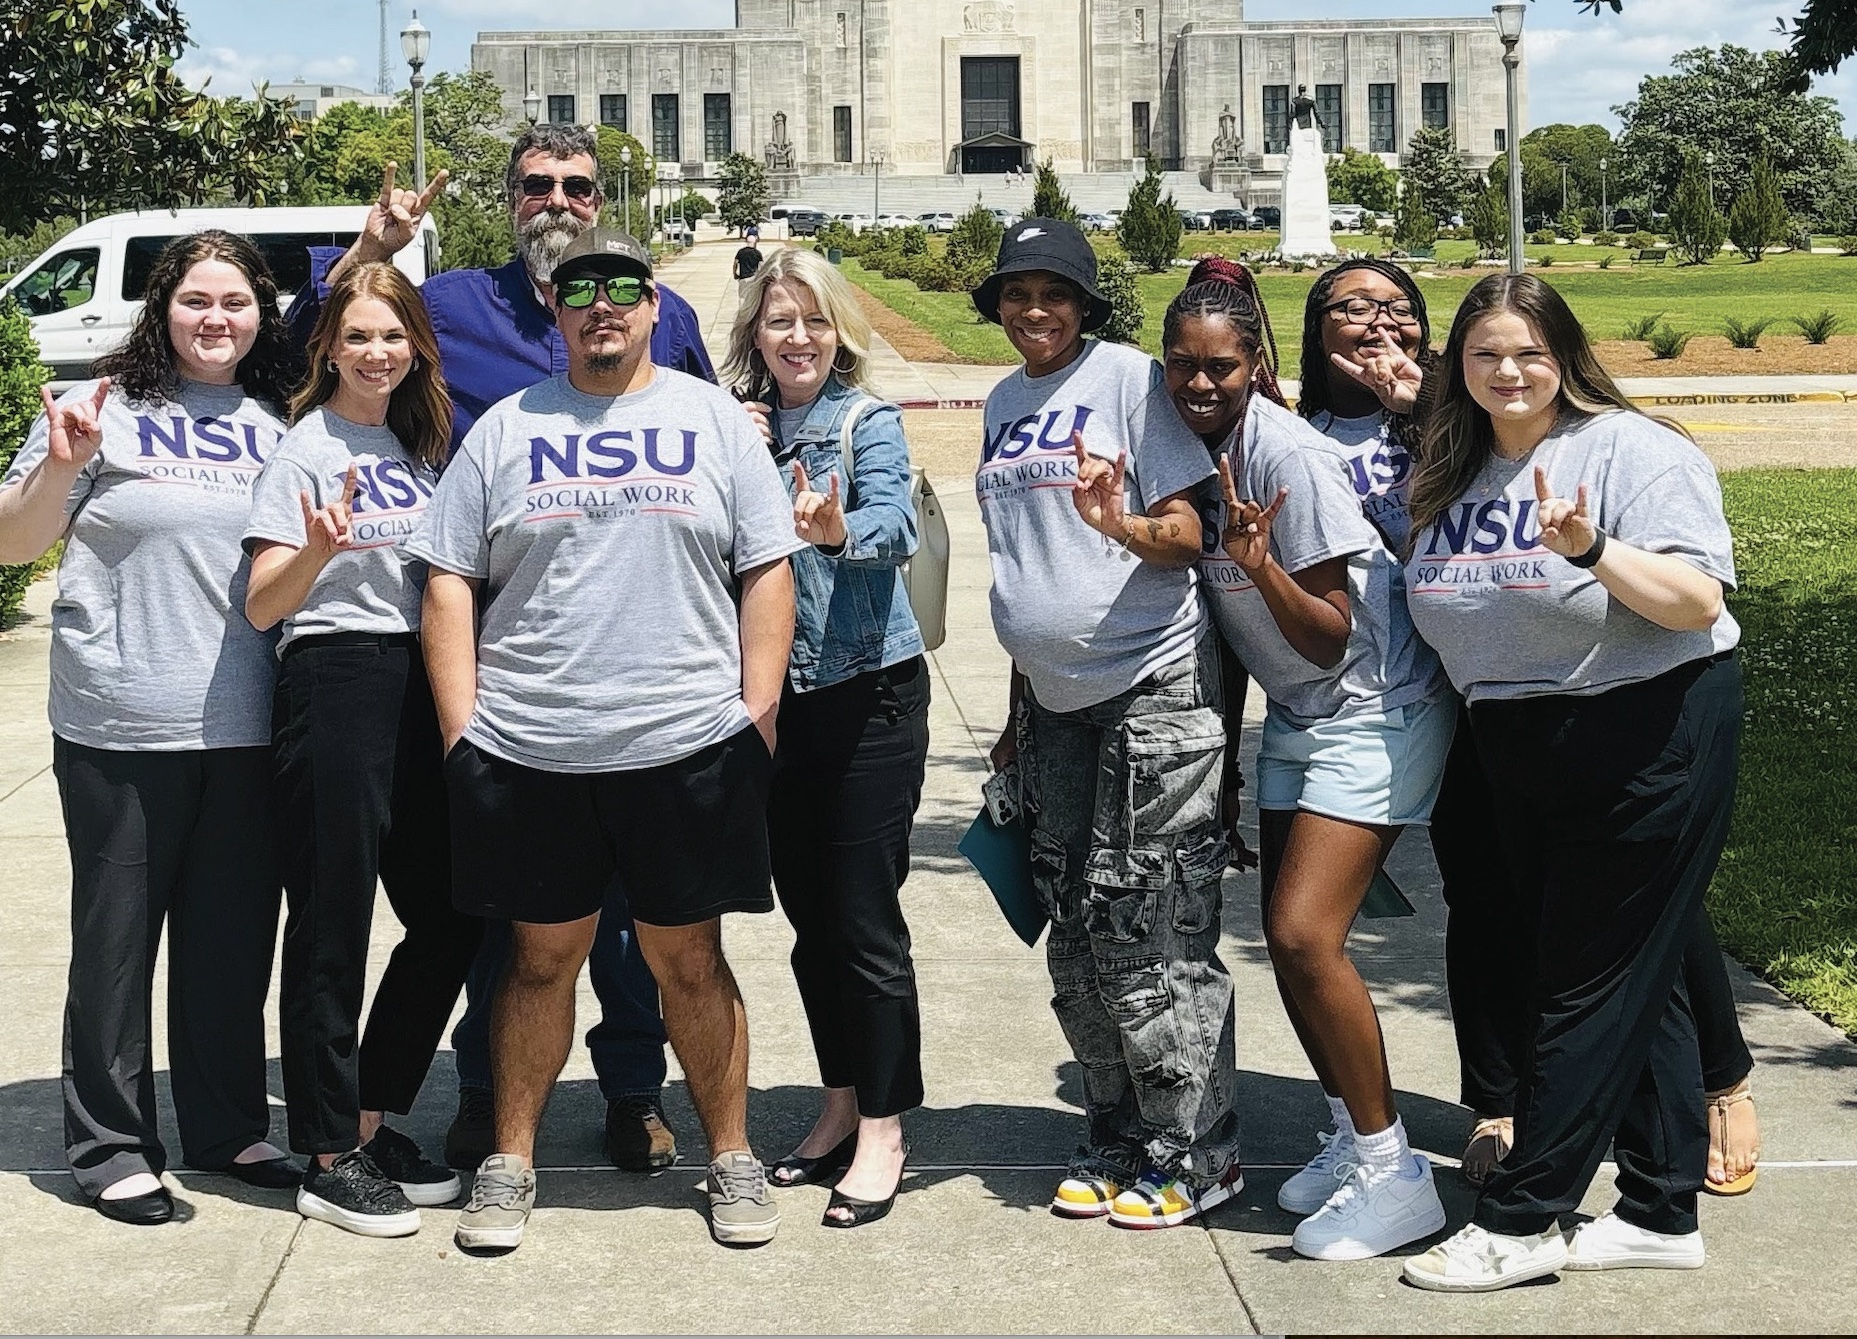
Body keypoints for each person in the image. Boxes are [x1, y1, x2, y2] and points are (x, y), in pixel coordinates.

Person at [287, 124, 714, 1174]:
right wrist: (365, 252)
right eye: (535, 186)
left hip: (639, 646)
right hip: (499, 652)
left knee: (631, 917)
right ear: (510, 199)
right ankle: (485, 1090)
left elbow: (717, 426)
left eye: (575, 185)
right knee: (504, 898)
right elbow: (313, 341)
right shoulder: (459, 308)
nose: (557, 202)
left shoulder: (660, 305)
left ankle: (630, 1091)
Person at [1301, 259, 1760, 1196]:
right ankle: (1521, 1113)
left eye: (1393, 308)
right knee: (1504, 913)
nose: (1371, 324)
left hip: (1611, 711)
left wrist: (1584, 543)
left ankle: (1690, 1108)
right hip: (1475, 710)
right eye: (1348, 308)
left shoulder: (1605, 444)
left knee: (1614, 937)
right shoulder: (1365, 442)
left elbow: (1690, 597)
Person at [404, 229, 805, 1252]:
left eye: (622, 289)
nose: (602, 307)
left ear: (648, 303)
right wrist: (463, 732)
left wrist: (754, 717)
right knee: (539, 963)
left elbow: (767, 568)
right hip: (536, 745)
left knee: (691, 961)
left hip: (686, 743)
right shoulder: (503, 430)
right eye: (581, 290)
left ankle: (732, 1156)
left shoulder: (712, 420)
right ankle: (509, 1161)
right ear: (559, 308)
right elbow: (448, 575)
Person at [1400, 274, 1744, 1292]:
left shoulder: (1632, 450)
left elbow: (1695, 599)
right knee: (1630, 971)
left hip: (1645, 723)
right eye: (1485, 354)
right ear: (1456, 366)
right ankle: (1658, 1206)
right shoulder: (1451, 468)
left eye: (1530, 353)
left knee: (1584, 983)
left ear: (1565, 355)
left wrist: (1591, 548)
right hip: (1522, 739)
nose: (1508, 372)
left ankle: (1525, 1216)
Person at [0, 231, 302, 1223]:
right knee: (117, 941)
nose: (216, 318)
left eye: (236, 302)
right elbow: (15, 540)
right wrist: (58, 464)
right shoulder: (100, 407)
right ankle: (110, 1141)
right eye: (195, 300)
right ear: (160, 307)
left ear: (262, 313)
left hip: (249, 726)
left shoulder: (278, 418)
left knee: (229, 943)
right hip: (121, 722)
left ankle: (226, 1128)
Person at [1163, 258, 1453, 1260]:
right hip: (1296, 713)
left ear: (1258, 365)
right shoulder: (1202, 451)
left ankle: (1393, 1173)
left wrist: (1259, 565)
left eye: (1222, 368)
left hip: (1374, 707)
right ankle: (1348, 1131)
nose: (1201, 385)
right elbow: (1232, 632)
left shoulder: (1289, 458)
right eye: (1184, 366)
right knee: (1284, 943)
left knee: (1301, 934)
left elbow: (1330, 630)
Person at [975, 219, 1242, 1230]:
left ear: (1086, 303)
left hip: (1151, 684)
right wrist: (1015, 710)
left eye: (1054, 292)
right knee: (1076, 930)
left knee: (1151, 925)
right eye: (1016, 292)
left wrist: (1115, 522)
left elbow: (1185, 531)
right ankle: (1119, 1126)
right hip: (1054, 705)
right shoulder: (1005, 401)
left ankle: (1198, 1149)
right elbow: (1025, 569)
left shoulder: (1129, 379)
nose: (1034, 310)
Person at [243, 262, 483, 1237]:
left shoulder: (422, 447)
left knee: (451, 912)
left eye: (394, 337)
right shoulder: (304, 451)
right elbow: (263, 601)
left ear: (417, 346)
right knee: (333, 917)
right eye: (358, 338)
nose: (377, 353)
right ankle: (328, 1153)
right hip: (334, 678)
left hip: (418, 684)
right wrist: (315, 551)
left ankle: (373, 1115)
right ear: (328, 348)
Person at [722, 247, 929, 1228]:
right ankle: (840, 1101)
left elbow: (896, 525)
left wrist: (840, 529)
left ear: (839, 329)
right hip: (776, 704)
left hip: (867, 697)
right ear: (755, 337)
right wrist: (742, 450)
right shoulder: (743, 429)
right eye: (778, 321)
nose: (795, 336)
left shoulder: (866, 420)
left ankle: (886, 1126)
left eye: (812, 319)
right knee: (811, 927)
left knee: (863, 922)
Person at [734, 227, 765, 299]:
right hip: (753, 278)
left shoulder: (741, 252)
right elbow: (761, 266)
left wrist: (735, 273)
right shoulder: (757, 253)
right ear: (754, 242)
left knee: (742, 297)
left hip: (743, 278)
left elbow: (735, 263)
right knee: (752, 298)